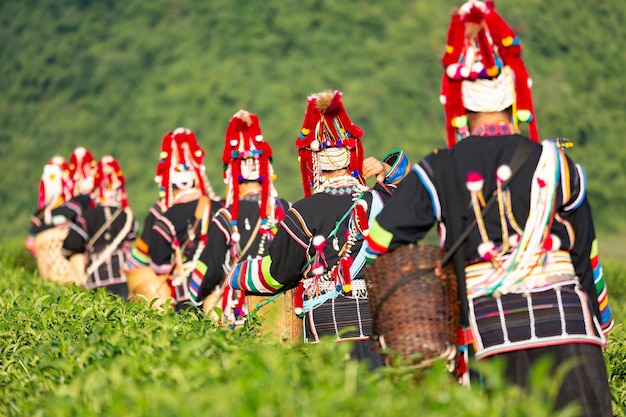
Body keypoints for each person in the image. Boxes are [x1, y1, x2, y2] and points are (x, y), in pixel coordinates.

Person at [364, 1, 613, 415]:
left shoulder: (439, 170)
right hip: (572, 332)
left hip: (493, 336)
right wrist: (600, 322)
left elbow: (381, 239)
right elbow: (586, 253)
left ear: (462, 102)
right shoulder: (557, 164)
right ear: (515, 96)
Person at [226, 90, 411, 366]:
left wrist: (239, 274)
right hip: (380, 322)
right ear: (352, 156)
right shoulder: (379, 199)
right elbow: (412, 185)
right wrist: (384, 167)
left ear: (313, 162)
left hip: (327, 327)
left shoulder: (303, 212)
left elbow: (277, 274)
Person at [188, 109, 289, 324]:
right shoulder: (286, 210)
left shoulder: (225, 218)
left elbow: (210, 268)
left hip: (239, 310)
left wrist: (194, 299)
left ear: (230, 174)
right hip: (284, 308)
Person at [148, 127, 222, 312]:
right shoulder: (221, 208)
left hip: (187, 294)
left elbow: (160, 265)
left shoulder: (166, 218)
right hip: (221, 293)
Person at [63, 155, 138, 299]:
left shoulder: (86, 217)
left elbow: (71, 245)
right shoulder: (128, 216)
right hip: (125, 278)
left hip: (97, 278)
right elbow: (132, 238)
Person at [26, 158, 84, 286]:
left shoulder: (39, 215)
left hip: (48, 271)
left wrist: (41, 254)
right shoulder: (73, 208)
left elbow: (29, 243)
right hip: (70, 270)